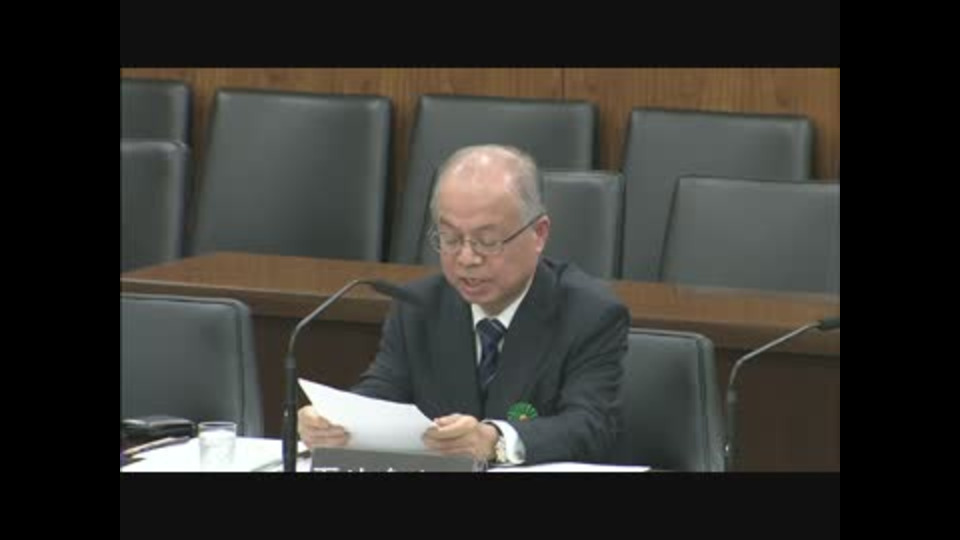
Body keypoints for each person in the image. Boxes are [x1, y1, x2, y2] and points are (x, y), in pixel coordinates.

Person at [298, 144, 629, 465]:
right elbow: (384, 390)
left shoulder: (589, 314)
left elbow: (591, 424)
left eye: (487, 241)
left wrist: (495, 440)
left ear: (539, 234)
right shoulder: (418, 306)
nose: (467, 258)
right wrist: (336, 422)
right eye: (451, 239)